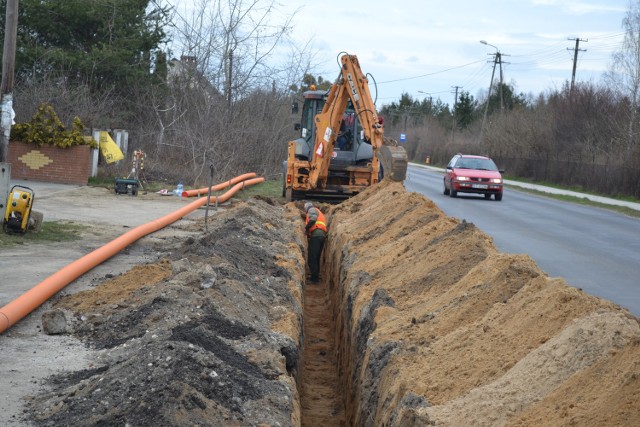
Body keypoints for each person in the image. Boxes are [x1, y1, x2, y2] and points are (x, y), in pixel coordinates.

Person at [304, 202, 328, 284]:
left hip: (316, 235)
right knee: (316, 257)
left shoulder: (312, 210)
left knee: (312, 258)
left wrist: (306, 228)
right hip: (321, 235)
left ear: (307, 208)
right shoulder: (318, 211)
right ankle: (316, 275)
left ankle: (314, 279)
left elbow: (313, 219)